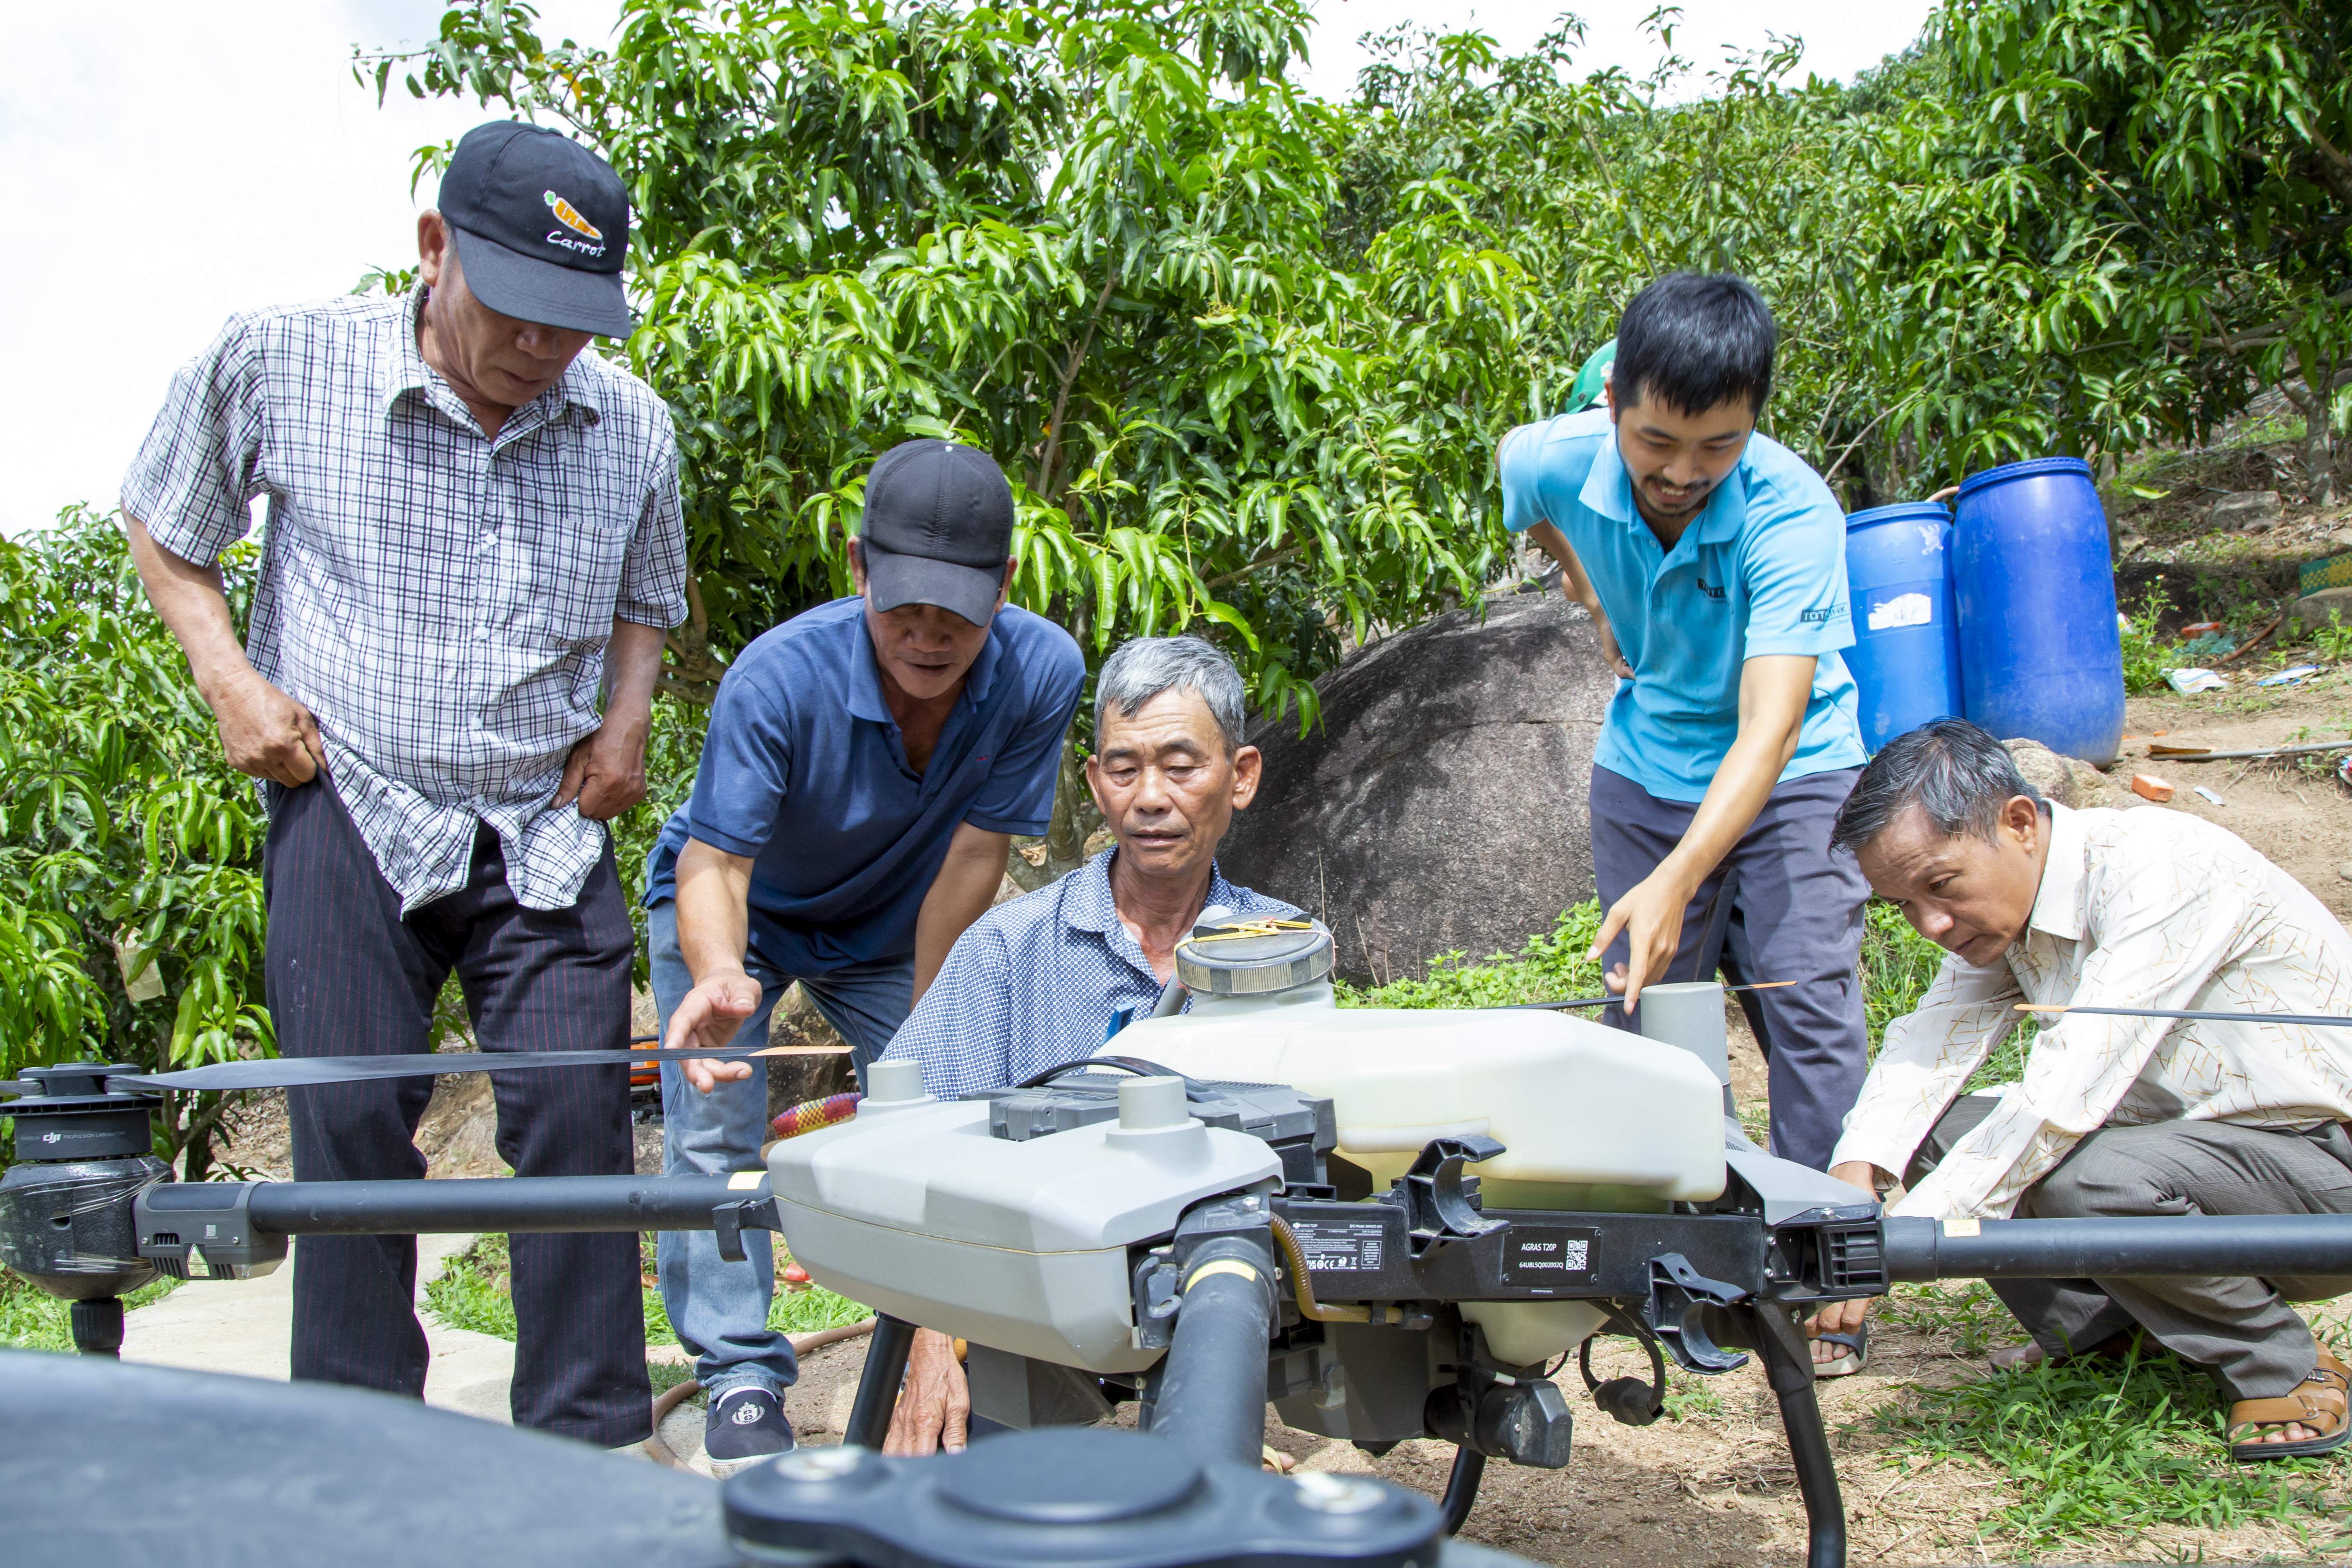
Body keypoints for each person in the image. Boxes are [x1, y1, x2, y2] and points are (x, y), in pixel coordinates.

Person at [122, 122, 682, 1447]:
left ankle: (590, 1447)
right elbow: (163, 515)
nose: (542, 346)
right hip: (353, 795)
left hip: (542, 819)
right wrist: (231, 684)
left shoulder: (631, 424)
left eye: (572, 321)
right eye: (517, 308)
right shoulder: (283, 358)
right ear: (434, 248)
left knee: (579, 1118)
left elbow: (648, 593)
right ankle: (363, 1446)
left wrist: (627, 720)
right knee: (351, 1126)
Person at [650, 438, 1084, 1460]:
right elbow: (717, 862)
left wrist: (939, 1035)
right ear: (858, 569)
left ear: (1004, 585)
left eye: (956, 614)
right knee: (715, 1126)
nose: (928, 638)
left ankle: (964, 1349)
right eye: (904, 609)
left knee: (958, 1115)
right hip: (745, 913)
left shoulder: (1040, 671)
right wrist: (720, 973)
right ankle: (739, 1375)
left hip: (895, 919)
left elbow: (972, 859)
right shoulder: (778, 677)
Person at [1808, 719, 2352, 1461]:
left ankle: (2284, 1366)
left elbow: (2069, 1092)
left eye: (1940, 886)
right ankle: (2111, 1335)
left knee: (2089, 1177)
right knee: (1938, 1128)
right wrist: (1854, 1179)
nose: (1930, 923)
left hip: (2321, 1171)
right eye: (1903, 903)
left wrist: (1892, 1249)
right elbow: (1930, 1043)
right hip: (2201, 1156)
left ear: (2020, 823)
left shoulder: (2162, 868)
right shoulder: (2009, 908)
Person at [874, 633, 1300, 1453]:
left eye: (1182, 766)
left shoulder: (1280, 951)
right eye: (1124, 768)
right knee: (978, 1478)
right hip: (1029, 1298)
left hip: (1224, 1290)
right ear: (1096, 781)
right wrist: (931, 1338)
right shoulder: (1008, 949)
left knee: (1204, 1486)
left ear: (1241, 776)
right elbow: (908, 1154)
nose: (1151, 798)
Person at [1498, 273, 1873, 1185]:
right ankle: (1688, 1232)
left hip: (1797, 773)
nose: (1681, 474)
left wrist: (1677, 878)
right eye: (1656, 441)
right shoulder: (1556, 459)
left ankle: (1825, 1242)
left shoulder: (1792, 515)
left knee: (1807, 1005)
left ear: (1756, 422)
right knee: (1648, 1020)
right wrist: (1590, 591)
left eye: (1719, 446)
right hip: (1648, 766)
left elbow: (1771, 728)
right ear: (1613, 404)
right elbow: (1519, 478)